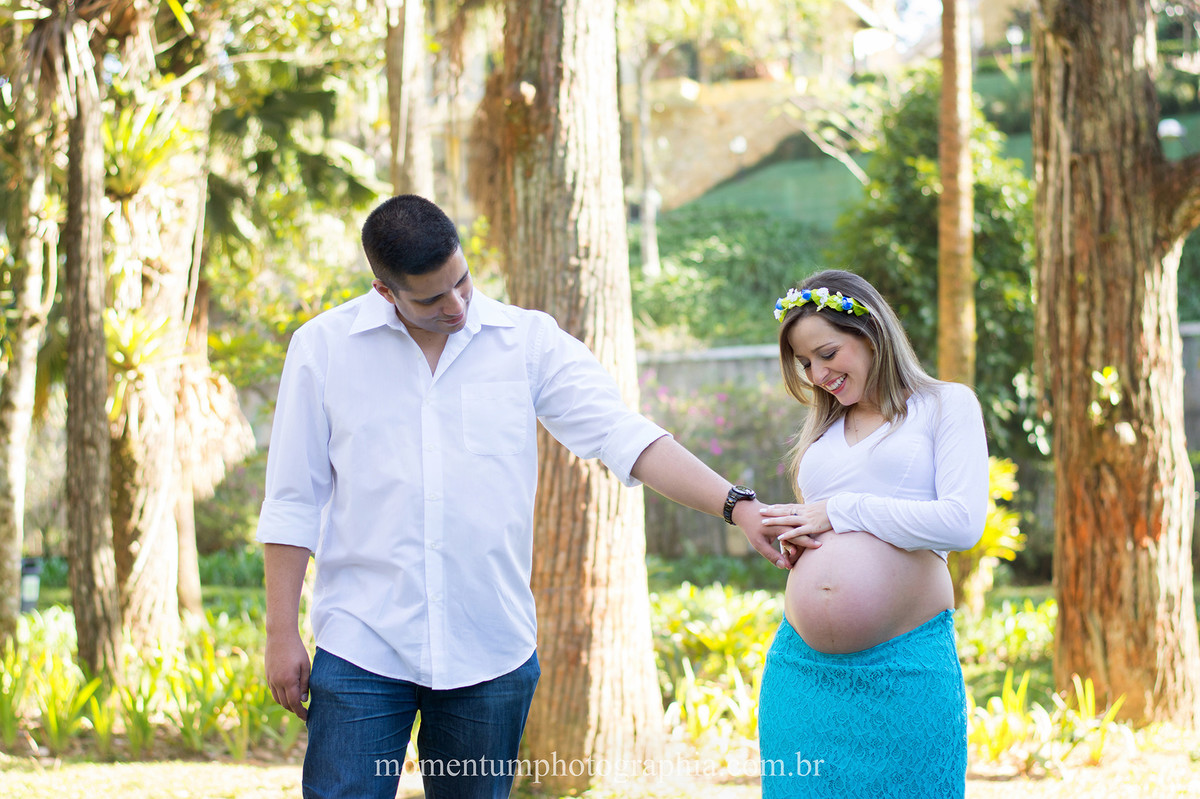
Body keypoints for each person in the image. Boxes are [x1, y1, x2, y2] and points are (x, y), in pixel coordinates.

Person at [257, 194, 796, 799]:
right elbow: (293, 499)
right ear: (385, 291)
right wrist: (281, 633)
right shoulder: (324, 348)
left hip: (488, 648)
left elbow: (624, 435)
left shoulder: (527, 342)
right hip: (361, 643)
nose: (457, 305)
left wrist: (736, 505)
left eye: (462, 282)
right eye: (432, 298)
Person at [754, 269, 988, 798]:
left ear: (871, 332)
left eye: (828, 353)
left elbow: (961, 521)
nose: (817, 374)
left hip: (905, 668)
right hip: (802, 670)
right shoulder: (822, 435)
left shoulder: (944, 405)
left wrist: (839, 511)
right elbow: (824, 528)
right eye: (805, 363)